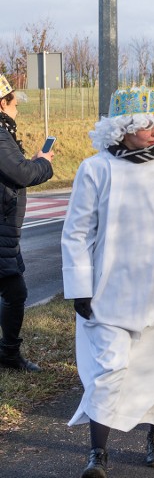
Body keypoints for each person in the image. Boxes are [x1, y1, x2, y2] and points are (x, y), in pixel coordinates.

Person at [61, 86, 154, 476]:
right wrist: (80, 286)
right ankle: (99, 452)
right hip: (111, 293)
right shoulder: (95, 169)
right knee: (108, 369)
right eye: (143, 125)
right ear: (120, 129)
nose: (153, 131)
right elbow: (77, 233)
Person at [0, 76, 54, 372]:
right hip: (2, 226)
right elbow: (20, 174)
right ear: (2, 104)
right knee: (15, 291)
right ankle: (8, 355)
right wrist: (44, 163)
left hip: (6, 228)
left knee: (13, 290)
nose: (17, 111)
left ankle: (8, 352)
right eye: (15, 105)